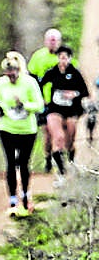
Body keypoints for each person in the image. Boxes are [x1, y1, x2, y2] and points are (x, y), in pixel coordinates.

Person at [0, 51, 43, 216]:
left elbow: (39, 105)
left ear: (18, 70)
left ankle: (26, 195)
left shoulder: (29, 83)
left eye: (13, 73)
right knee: (10, 164)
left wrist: (24, 104)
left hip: (27, 129)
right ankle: (12, 199)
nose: (11, 76)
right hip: (7, 128)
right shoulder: (1, 83)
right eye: (8, 73)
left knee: (23, 163)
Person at [39, 45, 89, 177]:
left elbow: (85, 91)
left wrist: (75, 94)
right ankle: (61, 170)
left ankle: (71, 160)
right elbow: (39, 84)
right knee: (58, 137)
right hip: (55, 109)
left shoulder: (75, 73)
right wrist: (42, 99)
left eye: (65, 58)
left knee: (70, 140)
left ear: (70, 59)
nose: (63, 61)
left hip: (71, 110)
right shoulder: (52, 72)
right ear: (58, 59)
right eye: (61, 58)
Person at [28, 28, 71, 172]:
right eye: (50, 40)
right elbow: (32, 79)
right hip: (44, 101)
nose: (52, 44)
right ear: (45, 41)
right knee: (47, 131)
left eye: (55, 41)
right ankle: (48, 158)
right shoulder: (38, 56)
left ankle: (60, 156)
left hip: (61, 102)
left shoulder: (64, 58)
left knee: (61, 131)